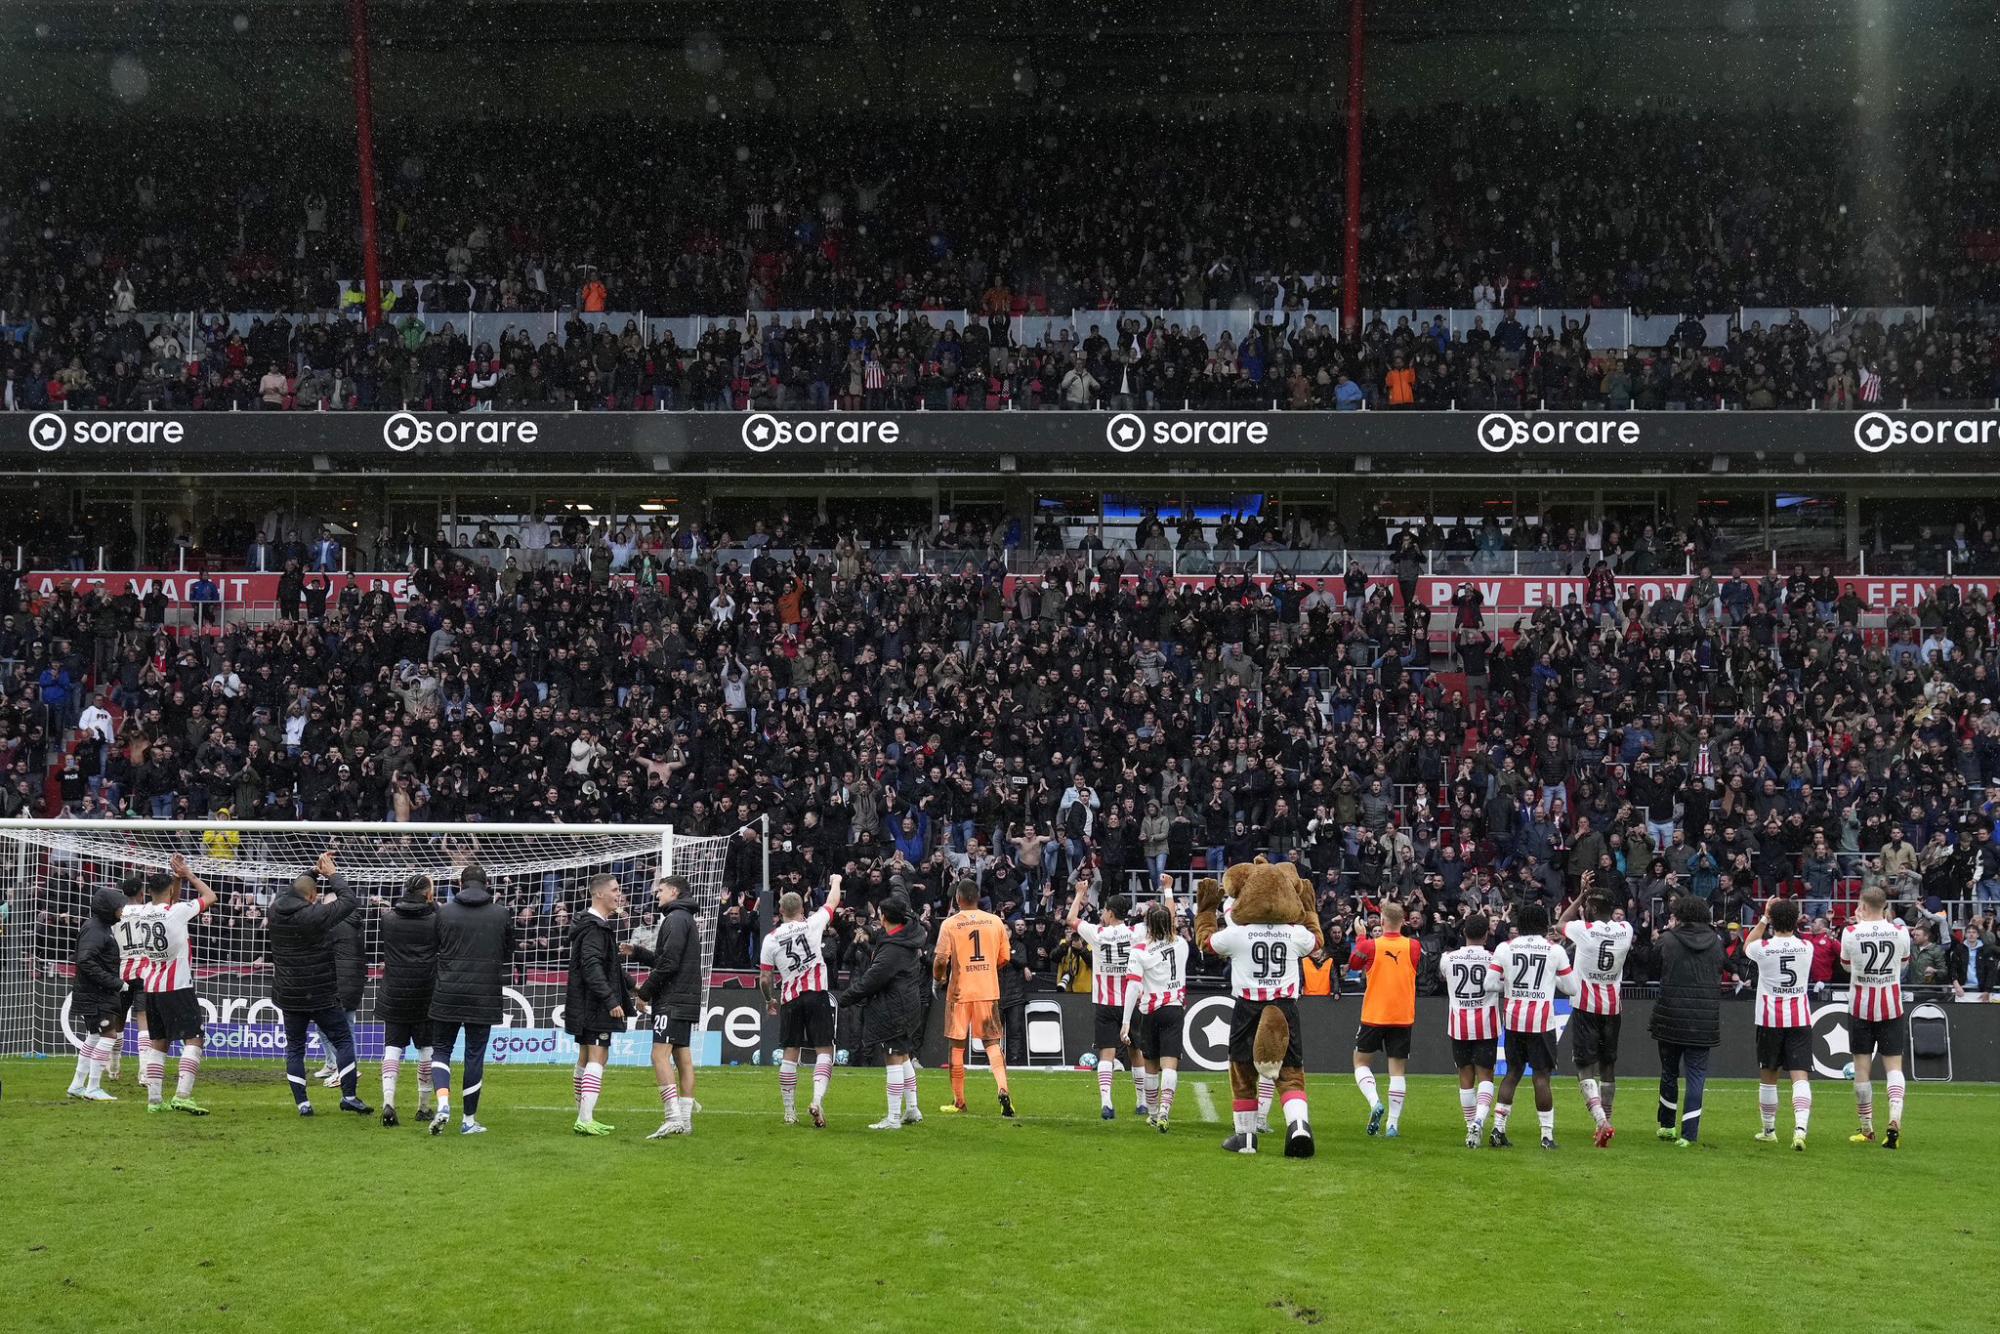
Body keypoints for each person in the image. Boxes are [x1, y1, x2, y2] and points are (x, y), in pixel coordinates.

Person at [1206, 887, 1319, 1156]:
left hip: (1248, 1008)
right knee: (1290, 1074)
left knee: (1243, 1072)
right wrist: (1309, 908)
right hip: (1284, 1007)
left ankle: (1245, 1138)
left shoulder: (1238, 933)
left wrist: (1205, 911)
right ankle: (1299, 1126)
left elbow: (1207, 943)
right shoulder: (1294, 932)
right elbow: (1316, 941)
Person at [267, 851, 371, 1116]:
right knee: (344, 1040)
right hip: (320, 992)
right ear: (313, 897)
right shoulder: (316, 915)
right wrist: (331, 873)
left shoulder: (275, 910)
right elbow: (349, 900)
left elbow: (294, 890)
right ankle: (348, 1096)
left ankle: (302, 1103)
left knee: (295, 1048)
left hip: (289, 993)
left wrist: (314, 872)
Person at [427, 863, 515, 1136]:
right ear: (486, 884)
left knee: (441, 1048)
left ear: (460, 883)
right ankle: (468, 1119)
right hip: (483, 993)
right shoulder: (501, 914)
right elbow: (508, 951)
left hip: (448, 991)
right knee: (474, 1055)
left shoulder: (444, 912)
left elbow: (434, 946)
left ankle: (443, 1103)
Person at [126, 857, 218, 1115]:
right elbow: (210, 896)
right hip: (177, 986)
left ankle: (154, 1101)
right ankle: (182, 1096)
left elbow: (171, 901)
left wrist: (175, 878)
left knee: (159, 1043)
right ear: (168, 893)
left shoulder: (143, 911)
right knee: (194, 1039)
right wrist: (188, 875)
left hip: (152, 987)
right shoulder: (177, 912)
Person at [836, 895, 928, 1131]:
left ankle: (893, 1117)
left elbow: (870, 980)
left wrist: (843, 999)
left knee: (894, 1058)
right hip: (908, 1004)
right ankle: (912, 1109)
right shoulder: (909, 934)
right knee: (904, 1055)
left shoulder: (892, 952)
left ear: (883, 917)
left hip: (895, 1009)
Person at [758, 874, 843, 1128]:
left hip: (790, 999)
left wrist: (769, 999)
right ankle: (816, 1100)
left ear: (780, 911)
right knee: (824, 1051)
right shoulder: (813, 923)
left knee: (789, 1054)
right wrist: (836, 880)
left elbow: (764, 978)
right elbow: (832, 901)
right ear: (802, 909)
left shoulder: (771, 939)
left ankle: (789, 1113)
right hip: (817, 995)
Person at [1491, 902, 1577, 1149]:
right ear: (1544, 925)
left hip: (1514, 1019)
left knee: (1512, 1073)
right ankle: (1546, 1136)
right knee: (1541, 1077)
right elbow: (1570, 988)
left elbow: (1489, 983)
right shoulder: (1554, 951)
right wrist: (1550, 981)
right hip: (1541, 1022)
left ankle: (1498, 1130)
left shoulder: (1505, 947)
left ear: (1520, 924)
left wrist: (1510, 986)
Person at [1558, 876, 1633, 1147]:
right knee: (1608, 1064)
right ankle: (1607, 1118)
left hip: (1585, 1005)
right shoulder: (1626, 929)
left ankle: (1602, 1121)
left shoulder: (1583, 930)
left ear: (1589, 909)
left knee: (1584, 1065)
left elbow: (1559, 924)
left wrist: (1579, 895)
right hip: (1612, 1006)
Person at [934, 879, 1015, 1116]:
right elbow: (1004, 958)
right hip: (987, 991)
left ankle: (959, 1101)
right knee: (992, 1044)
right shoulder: (995, 921)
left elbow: (940, 960)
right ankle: (1003, 1089)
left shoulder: (950, 924)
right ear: (977, 898)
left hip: (959, 992)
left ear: (958, 898)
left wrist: (938, 978)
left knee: (957, 1047)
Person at [1840, 886, 1912, 1149]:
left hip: (1861, 1006)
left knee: (1861, 1068)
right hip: (1891, 1006)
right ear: (1885, 906)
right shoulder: (1900, 932)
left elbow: (1846, 966)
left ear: (1862, 906)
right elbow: (1903, 964)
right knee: (1894, 1067)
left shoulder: (1850, 933)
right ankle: (1894, 1120)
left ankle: (1867, 1127)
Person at [564, 873, 633, 1137]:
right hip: (594, 1004)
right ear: (600, 894)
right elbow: (592, 967)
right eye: (615, 890)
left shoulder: (592, 925)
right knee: (598, 1056)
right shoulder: (595, 928)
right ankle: (585, 1117)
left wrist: (634, 987)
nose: (619, 894)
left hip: (585, 1002)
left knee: (585, 1056)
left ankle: (583, 1115)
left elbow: (609, 966)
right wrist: (610, 999)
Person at [1652, 895, 1723, 1148]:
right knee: (1696, 1076)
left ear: (1679, 914)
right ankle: (1689, 1134)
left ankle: (1667, 1126)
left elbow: (1652, 964)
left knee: (1669, 1072)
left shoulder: (1668, 939)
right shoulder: (1716, 941)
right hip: (1703, 1019)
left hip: (1670, 1016)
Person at [1066, 880, 1141, 1120]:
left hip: (1105, 1003)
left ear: (1109, 912)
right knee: (1136, 1052)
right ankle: (1141, 1102)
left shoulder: (1097, 933)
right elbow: (1166, 920)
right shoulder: (1135, 932)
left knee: (1106, 1054)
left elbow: (1070, 919)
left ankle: (1107, 1103)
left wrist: (1079, 893)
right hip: (1132, 1003)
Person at [1743, 897, 1814, 1150]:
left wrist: (1764, 917)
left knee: (1768, 1076)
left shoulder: (1763, 948)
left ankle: (1769, 1130)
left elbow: (1747, 945)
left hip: (1770, 1019)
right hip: (1800, 1018)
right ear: (1796, 921)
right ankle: (1800, 1129)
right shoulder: (1807, 947)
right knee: (1800, 1076)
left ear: (1773, 920)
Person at [634, 874, 702, 1138]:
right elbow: (670, 959)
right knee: (682, 1057)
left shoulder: (674, 919)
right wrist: (638, 953)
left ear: (673, 892)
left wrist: (646, 992)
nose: (657, 895)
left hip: (671, 999)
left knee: (658, 1055)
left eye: (660, 890)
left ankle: (672, 1116)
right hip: (686, 998)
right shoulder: (685, 918)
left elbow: (669, 963)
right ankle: (684, 1121)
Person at [1349, 901, 1420, 1138]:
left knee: (1360, 1063)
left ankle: (1374, 1102)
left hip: (1374, 1014)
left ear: (1381, 921)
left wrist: (1360, 937)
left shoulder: (1370, 946)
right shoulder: (1414, 946)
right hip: (1402, 1016)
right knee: (1397, 1071)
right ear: (1403, 921)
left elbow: (1353, 964)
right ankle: (1392, 1124)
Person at [1119, 896, 1189, 1131]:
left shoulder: (1139, 950)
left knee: (1151, 1066)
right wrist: (1168, 892)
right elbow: (1168, 925)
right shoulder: (1181, 944)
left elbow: (1134, 986)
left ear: (1147, 924)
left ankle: (1151, 1113)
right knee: (1170, 1064)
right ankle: (1165, 1111)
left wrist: (1126, 1021)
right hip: (1173, 1009)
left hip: (1150, 1011)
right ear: (1170, 923)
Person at [376, 873, 439, 1128]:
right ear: (427, 894)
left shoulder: (388, 919)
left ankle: (388, 1100)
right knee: (426, 1049)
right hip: (425, 991)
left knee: (392, 1047)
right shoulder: (436, 920)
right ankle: (423, 1107)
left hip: (395, 990)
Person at [1440, 913, 1501, 1148]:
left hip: (1459, 1026)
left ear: (1464, 932)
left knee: (1465, 1078)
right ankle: (1478, 1121)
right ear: (1487, 934)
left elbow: (1445, 977)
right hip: (1486, 1024)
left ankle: (1470, 1128)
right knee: (1486, 1076)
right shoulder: (1494, 958)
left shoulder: (1448, 958)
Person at [65, 882, 127, 1102]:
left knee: (93, 1037)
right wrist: (115, 983)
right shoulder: (95, 928)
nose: (122, 910)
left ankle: (76, 1085)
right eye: (119, 906)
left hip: (96, 993)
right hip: (96, 994)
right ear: (108, 908)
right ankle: (93, 1087)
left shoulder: (101, 927)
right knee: (108, 1036)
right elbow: (85, 960)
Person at [315, 883, 368, 1089]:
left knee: (341, 1028)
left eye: (327, 906)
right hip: (351, 982)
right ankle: (332, 1064)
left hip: (341, 983)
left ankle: (346, 1069)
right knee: (328, 1025)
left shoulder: (334, 925)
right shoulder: (352, 922)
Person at [109, 873, 150, 1083]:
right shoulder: (150, 911)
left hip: (122, 971)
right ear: (142, 893)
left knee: (119, 1020)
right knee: (143, 1019)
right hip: (144, 970)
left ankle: (114, 1067)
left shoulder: (117, 914)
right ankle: (144, 1073)